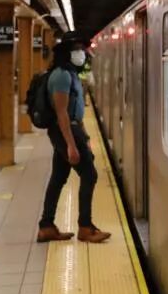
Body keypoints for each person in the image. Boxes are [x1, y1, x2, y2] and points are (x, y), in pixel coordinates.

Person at [36, 31, 111, 243]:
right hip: (65, 130)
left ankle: (47, 226)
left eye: (82, 48)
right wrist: (71, 145)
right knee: (90, 175)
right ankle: (85, 227)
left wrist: (84, 136)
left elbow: (75, 110)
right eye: (76, 49)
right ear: (66, 52)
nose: (81, 53)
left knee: (58, 178)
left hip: (71, 129)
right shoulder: (61, 75)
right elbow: (62, 113)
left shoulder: (71, 74)